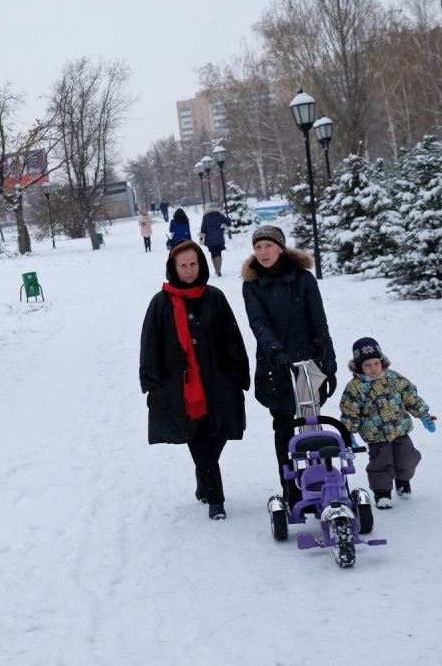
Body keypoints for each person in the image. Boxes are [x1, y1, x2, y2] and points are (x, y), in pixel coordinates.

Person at [140, 241, 251, 520]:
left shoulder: (215, 297)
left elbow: (232, 338)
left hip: (218, 383)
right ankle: (216, 500)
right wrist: (153, 382)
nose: (189, 271)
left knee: (220, 434)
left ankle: (204, 479)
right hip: (182, 387)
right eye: (183, 265)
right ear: (173, 268)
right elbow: (150, 346)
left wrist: (238, 374)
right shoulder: (161, 302)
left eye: (193, 264)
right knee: (198, 437)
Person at [240, 225, 337, 506]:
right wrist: (276, 351)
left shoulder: (304, 280)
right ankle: (290, 486)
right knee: (283, 426)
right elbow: (259, 323)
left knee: (312, 423)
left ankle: (321, 481)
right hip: (276, 366)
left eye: (268, 246)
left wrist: (327, 362)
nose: (263, 252)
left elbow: (319, 321)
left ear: (280, 247)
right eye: (258, 247)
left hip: (309, 363)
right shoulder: (252, 285)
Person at [339, 337, 436, 509]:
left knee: (407, 459)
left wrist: (424, 415)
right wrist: (348, 432)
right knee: (380, 464)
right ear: (358, 366)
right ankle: (382, 493)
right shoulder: (355, 388)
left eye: (376, 363)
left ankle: (403, 480)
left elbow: (410, 397)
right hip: (376, 436)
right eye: (367, 365)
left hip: (400, 430)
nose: (373, 368)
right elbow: (350, 412)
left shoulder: (394, 379)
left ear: (382, 361)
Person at [198, 206, 232, 277]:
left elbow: (203, 228)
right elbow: (228, 223)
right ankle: (219, 270)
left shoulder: (206, 217)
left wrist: (201, 238)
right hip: (219, 236)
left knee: (213, 253)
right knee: (219, 253)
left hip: (209, 238)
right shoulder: (220, 215)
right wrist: (222, 229)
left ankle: (216, 269)